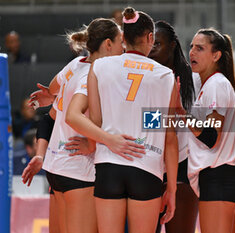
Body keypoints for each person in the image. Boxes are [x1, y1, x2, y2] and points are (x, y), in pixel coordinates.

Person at [72, 7, 178, 233]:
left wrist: (98, 142)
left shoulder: (99, 66)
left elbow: (96, 121)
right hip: (146, 166)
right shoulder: (164, 76)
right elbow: (168, 137)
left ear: (123, 38)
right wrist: (172, 190)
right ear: (150, 38)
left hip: (108, 166)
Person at [22, 17, 126, 233]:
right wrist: (102, 141)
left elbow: (52, 88)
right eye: (121, 42)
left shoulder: (75, 65)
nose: (124, 48)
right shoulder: (95, 75)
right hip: (79, 170)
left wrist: (51, 97)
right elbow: (73, 116)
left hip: (56, 167)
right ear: (108, 44)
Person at [175, 28, 235, 233]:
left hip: (219, 178)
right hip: (218, 179)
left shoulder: (216, 84)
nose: (192, 53)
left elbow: (211, 136)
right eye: (191, 47)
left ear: (216, 55)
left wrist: (181, 113)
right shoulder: (210, 84)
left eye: (200, 48)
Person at [149, 20, 198, 233]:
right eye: (148, 44)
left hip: (183, 167)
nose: (151, 50)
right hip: (148, 166)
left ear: (172, 46)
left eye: (157, 44)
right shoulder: (143, 78)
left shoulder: (194, 80)